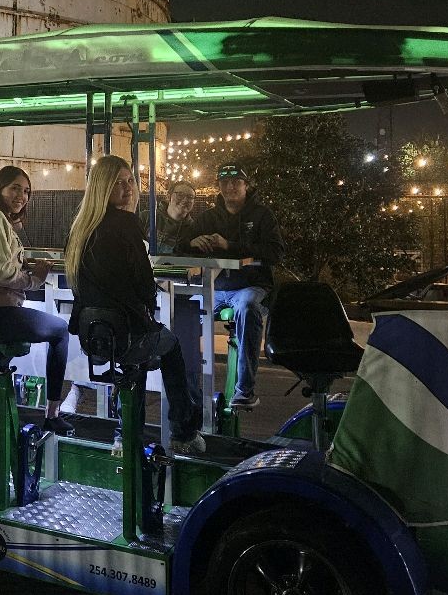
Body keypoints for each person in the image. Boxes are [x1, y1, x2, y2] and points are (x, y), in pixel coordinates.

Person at [64, 155, 203, 454]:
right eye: (118, 183)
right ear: (103, 187)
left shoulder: (80, 228)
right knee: (170, 345)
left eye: (130, 181)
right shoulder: (127, 223)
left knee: (135, 362)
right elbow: (143, 283)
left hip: (93, 333)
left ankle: (123, 436)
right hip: (127, 331)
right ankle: (184, 430)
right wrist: (149, 298)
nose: (127, 188)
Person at [0, 166, 73, 460]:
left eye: (26, 191)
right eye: (15, 189)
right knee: (60, 330)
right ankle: (53, 412)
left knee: (1, 357)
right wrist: (35, 279)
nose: (22, 195)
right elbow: (0, 273)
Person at [178, 163, 283, 409]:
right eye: (224, 182)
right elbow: (182, 245)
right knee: (184, 310)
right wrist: (193, 242)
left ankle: (244, 390)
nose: (229, 186)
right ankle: (188, 388)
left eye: (235, 181)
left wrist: (230, 246)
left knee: (246, 308)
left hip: (251, 286)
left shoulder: (262, 216)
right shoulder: (209, 217)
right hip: (215, 287)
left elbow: (276, 252)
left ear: (247, 185)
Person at [138, 179, 196, 254]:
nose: (185, 200)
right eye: (180, 195)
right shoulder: (147, 217)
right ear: (169, 197)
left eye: (190, 197)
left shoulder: (193, 229)